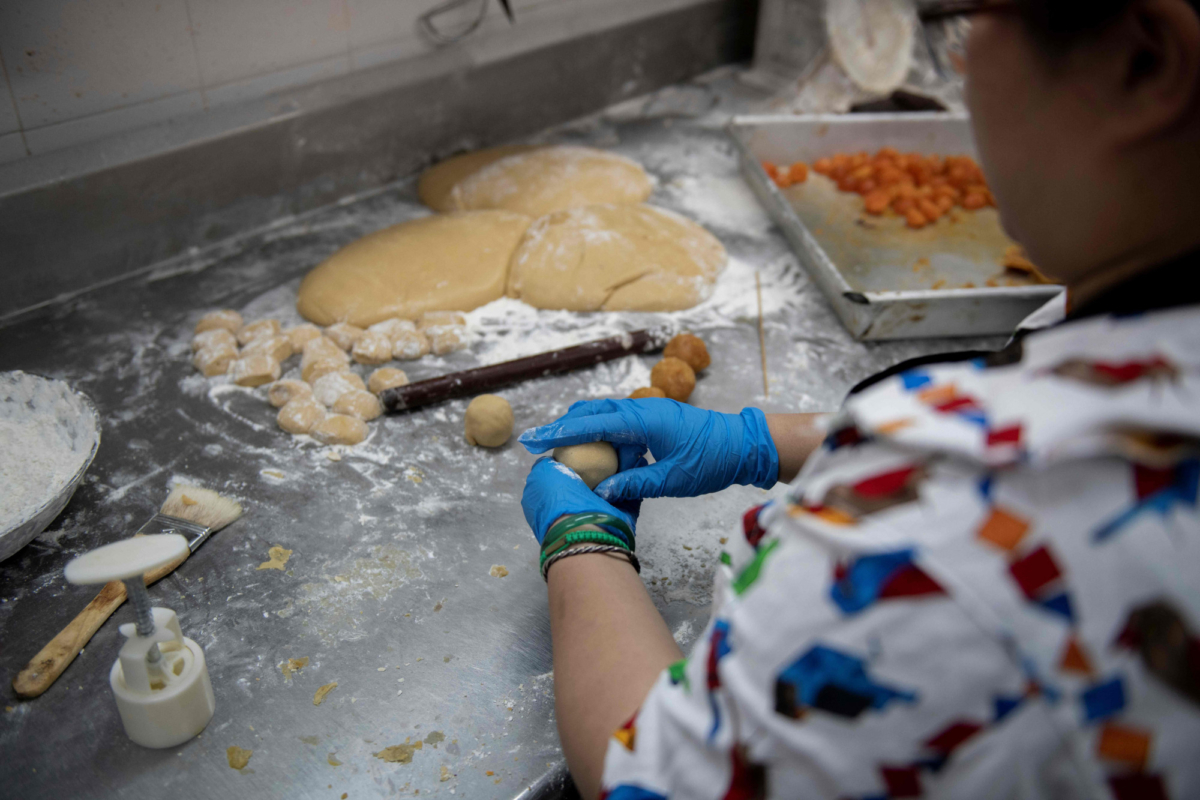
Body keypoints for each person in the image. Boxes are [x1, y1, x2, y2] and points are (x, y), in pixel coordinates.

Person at [518, 0, 1200, 797]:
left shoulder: (948, 538)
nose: (957, 68)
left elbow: (662, 778)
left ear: (1143, 61)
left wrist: (583, 543)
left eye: (961, 16)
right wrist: (768, 440)